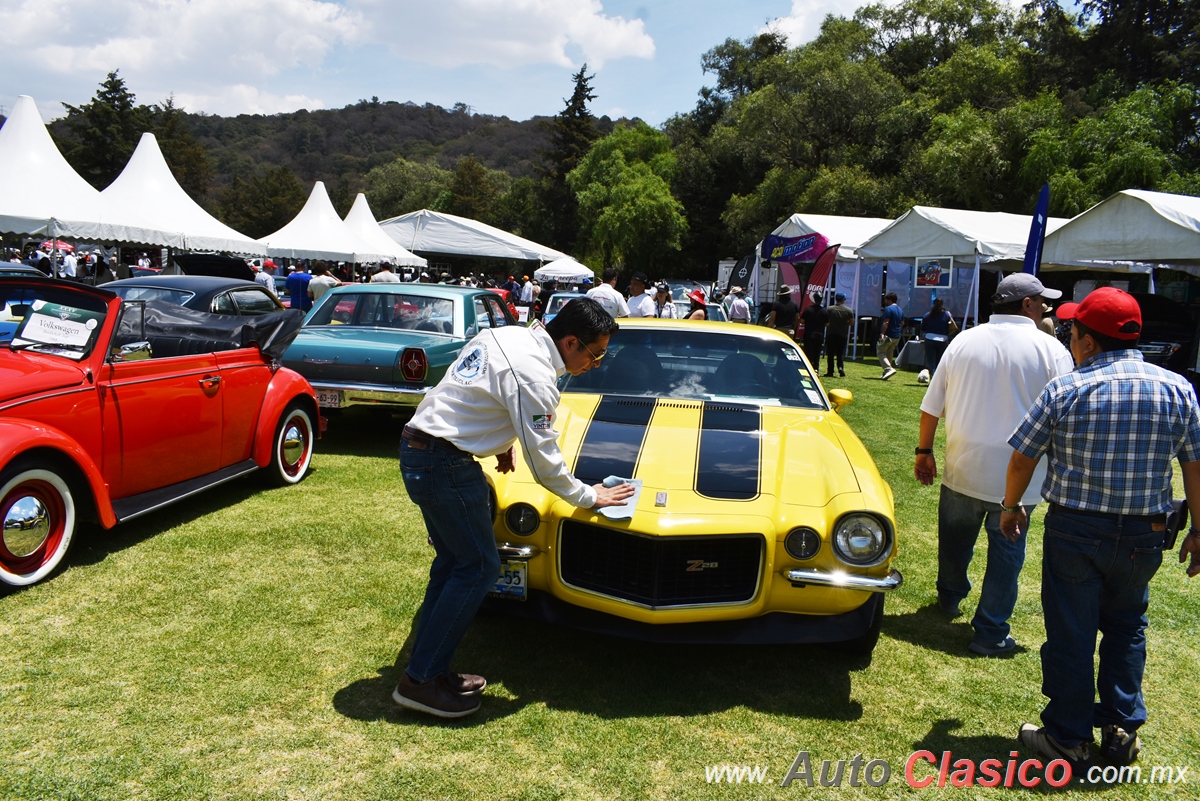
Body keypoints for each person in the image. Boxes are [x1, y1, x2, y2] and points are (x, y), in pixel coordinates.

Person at [394, 298, 635, 718]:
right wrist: (590, 496)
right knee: (478, 567)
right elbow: (546, 465)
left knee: (453, 563)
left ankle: (428, 667)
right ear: (571, 342)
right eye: (595, 355)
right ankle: (420, 682)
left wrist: (502, 444)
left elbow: (475, 394)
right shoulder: (535, 375)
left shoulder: (507, 335)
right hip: (444, 464)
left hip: (423, 450)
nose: (595, 364)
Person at [999, 287, 1200, 768]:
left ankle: (1067, 737)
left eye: (1073, 333)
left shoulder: (1065, 389)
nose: (1069, 340)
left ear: (1088, 342)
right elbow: (1195, 466)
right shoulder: (1178, 389)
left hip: (1076, 529)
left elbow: (1023, 458)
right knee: (1127, 626)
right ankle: (1120, 729)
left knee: (1072, 632)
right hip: (1146, 533)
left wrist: (1011, 507)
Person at [915, 273, 1071, 657]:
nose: (1044, 309)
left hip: (963, 464)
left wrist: (924, 450)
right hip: (1023, 477)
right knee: (1006, 555)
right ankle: (990, 631)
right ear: (1027, 305)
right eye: (1042, 302)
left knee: (955, 540)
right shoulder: (1051, 350)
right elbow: (1065, 416)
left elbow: (930, 406)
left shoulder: (963, 340)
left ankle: (950, 598)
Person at [922, 297, 956, 376]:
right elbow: (952, 326)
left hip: (930, 339)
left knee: (931, 361)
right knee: (940, 361)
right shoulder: (947, 315)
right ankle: (938, 378)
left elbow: (923, 328)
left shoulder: (927, 315)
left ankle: (933, 377)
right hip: (943, 339)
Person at [824, 292, 853, 377]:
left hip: (831, 333)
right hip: (842, 334)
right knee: (840, 353)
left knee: (830, 354)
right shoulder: (848, 310)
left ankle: (830, 371)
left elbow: (827, 321)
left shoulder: (830, 309)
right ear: (843, 299)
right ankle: (840, 367)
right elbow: (851, 323)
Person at [878, 292, 903, 380]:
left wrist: (882, 334)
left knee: (880, 351)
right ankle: (886, 373)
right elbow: (902, 323)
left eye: (885, 300)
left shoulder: (888, 309)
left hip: (889, 334)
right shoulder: (900, 310)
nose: (885, 302)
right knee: (889, 353)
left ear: (889, 300)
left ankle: (888, 369)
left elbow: (886, 322)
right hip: (897, 335)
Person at [799, 292, 827, 368]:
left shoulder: (808, 309)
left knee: (808, 352)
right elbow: (827, 324)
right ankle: (816, 368)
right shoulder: (824, 311)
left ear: (813, 299)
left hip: (809, 334)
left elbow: (802, 321)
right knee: (817, 353)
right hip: (819, 335)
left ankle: (808, 367)